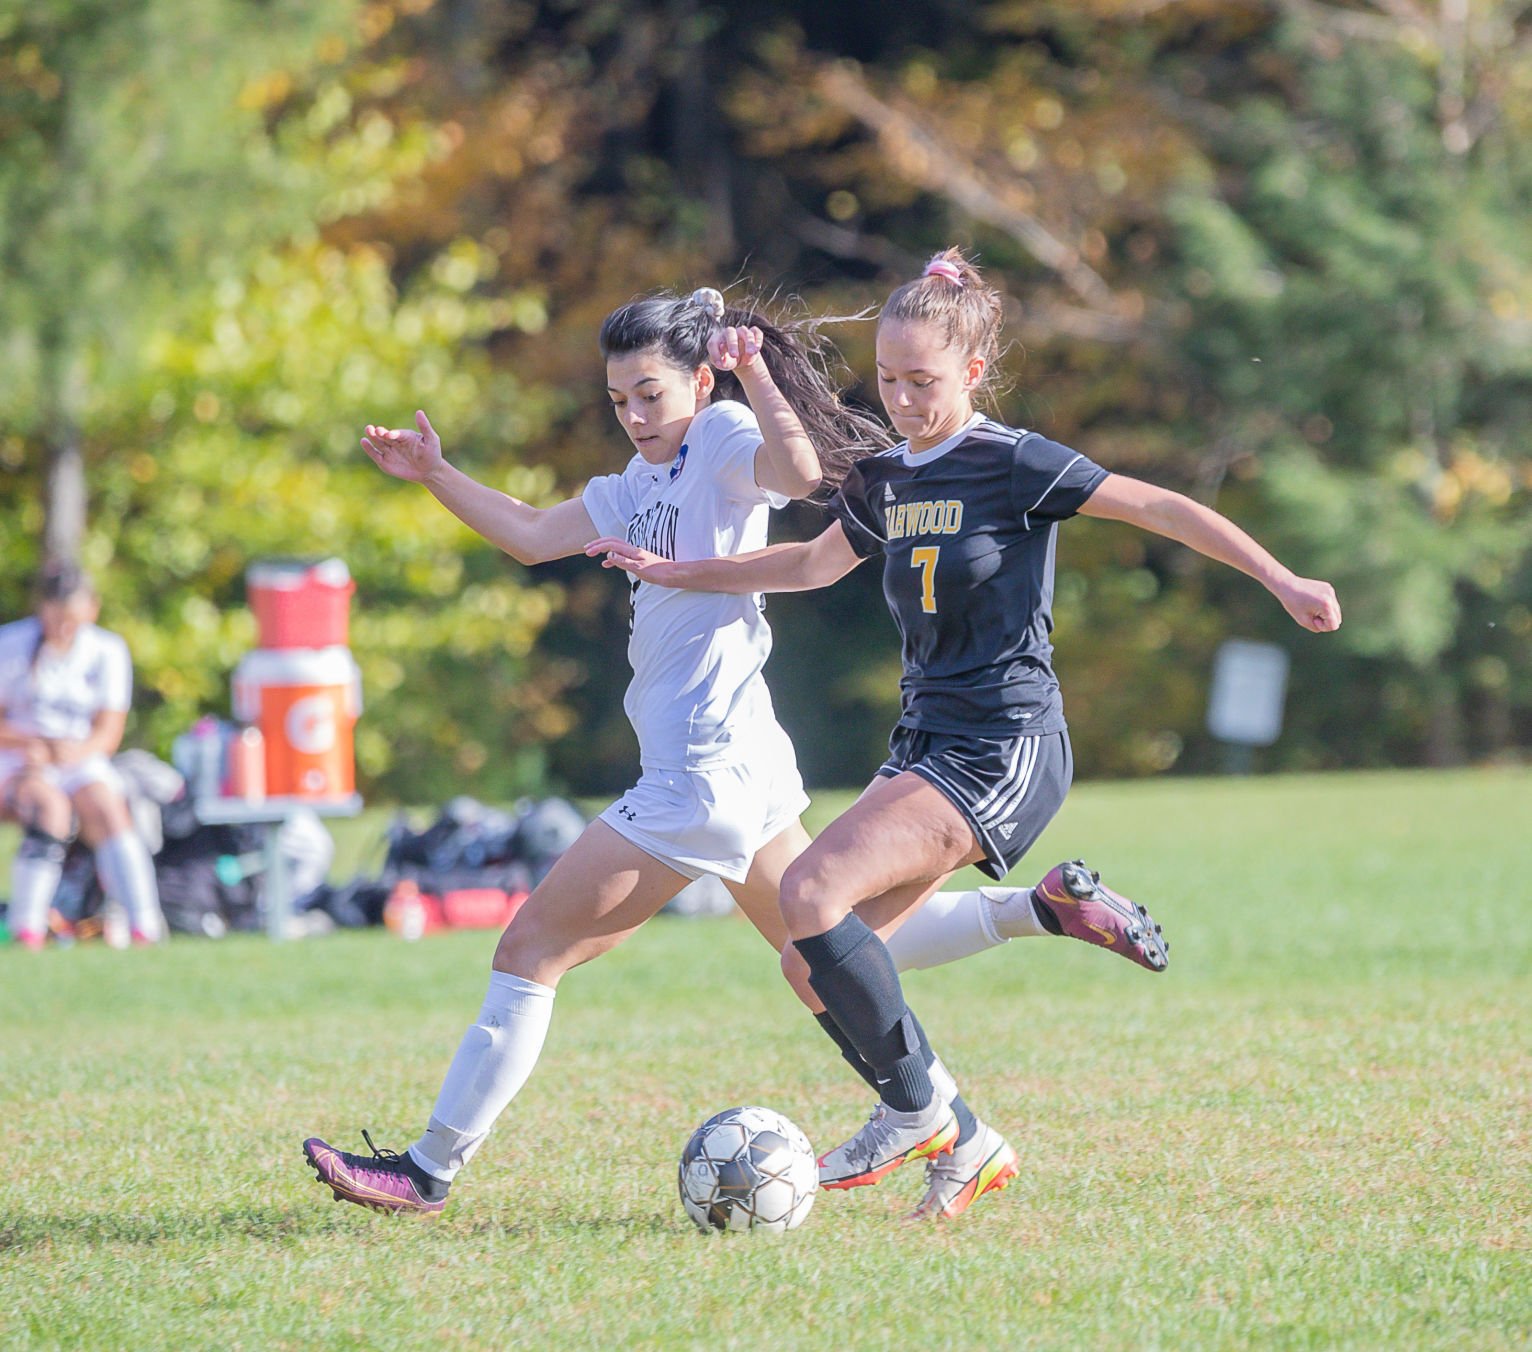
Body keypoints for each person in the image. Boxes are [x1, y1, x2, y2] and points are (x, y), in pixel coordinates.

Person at [301, 286, 1089, 1217]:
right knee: (829, 950)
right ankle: (1022, 949)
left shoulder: (718, 436)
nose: (635, 416)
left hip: (700, 776)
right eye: (619, 400)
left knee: (529, 950)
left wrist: (752, 372)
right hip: (746, 766)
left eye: (650, 395)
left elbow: (798, 473)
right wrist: (436, 472)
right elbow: (525, 535)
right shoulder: (629, 488)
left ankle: (428, 1169)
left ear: (701, 380)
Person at [589, 248, 1343, 1220]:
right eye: (889, 380)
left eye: (923, 382)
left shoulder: (1012, 461)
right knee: (807, 958)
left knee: (811, 892)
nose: (901, 400)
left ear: (972, 374)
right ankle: (969, 1128)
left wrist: (1279, 578)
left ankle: (910, 1113)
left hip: (1003, 742)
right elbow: (812, 567)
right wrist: (673, 570)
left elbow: (1154, 504)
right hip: (922, 741)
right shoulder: (889, 476)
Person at [0, 561, 167, 949]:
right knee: (50, 808)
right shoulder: (11, 645)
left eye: (72, 619)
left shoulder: (106, 650)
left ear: (92, 608)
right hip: (21, 760)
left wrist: (74, 751)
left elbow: (108, 732)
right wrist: (31, 745)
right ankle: (28, 925)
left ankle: (144, 922)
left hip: (80, 758)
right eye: (56, 617)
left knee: (108, 807)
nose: (63, 628)